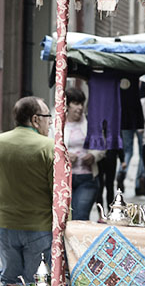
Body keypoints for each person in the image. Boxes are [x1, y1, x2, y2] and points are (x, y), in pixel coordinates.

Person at [0, 96, 54, 285]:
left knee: (10, 278)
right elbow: (58, 193)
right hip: (39, 227)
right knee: (38, 280)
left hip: (6, 226)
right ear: (36, 119)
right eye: (47, 116)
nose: (50, 122)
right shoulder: (48, 147)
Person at [64, 87, 105, 220]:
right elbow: (48, 147)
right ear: (67, 105)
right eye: (76, 103)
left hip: (87, 178)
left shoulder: (90, 123)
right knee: (64, 219)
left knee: (80, 216)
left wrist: (93, 155)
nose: (80, 107)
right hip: (64, 179)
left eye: (81, 103)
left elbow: (102, 145)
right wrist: (65, 155)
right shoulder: (56, 124)